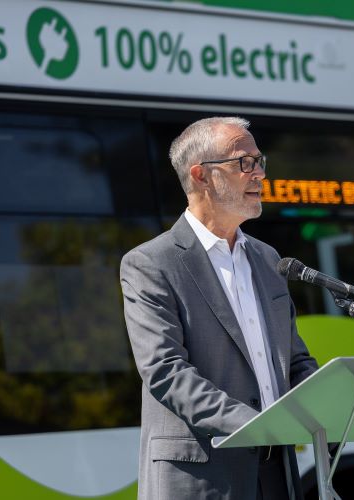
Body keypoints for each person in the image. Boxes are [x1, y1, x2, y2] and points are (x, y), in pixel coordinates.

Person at [120, 116, 318, 499]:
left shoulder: (268, 259)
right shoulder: (151, 263)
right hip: (200, 479)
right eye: (244, 162)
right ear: (201, 176)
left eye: (260, 161)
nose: (259, 174)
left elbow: (294, 361)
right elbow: (165, 372)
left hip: (279, 474)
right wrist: (256, 425)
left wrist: (327, 402)